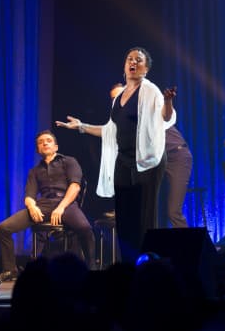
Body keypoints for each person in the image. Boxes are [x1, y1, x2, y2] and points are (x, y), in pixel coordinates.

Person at [57, 47, 176, 263]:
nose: (133, 62)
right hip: (124, 161)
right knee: (124, 216)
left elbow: (165, 118)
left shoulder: (151, 91)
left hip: (147, 162)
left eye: (138, 60)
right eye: (129, 59)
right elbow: (110, 130)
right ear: (124, 66)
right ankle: (129, 264)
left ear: (146, 69)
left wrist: (168, 102)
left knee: (145, 216)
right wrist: (82, 126)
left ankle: (147, 264)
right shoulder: (118, 98)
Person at [0, 130, 96, 281]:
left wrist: (61, 208)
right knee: (3, 228)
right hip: (43, 206)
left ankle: (91, 269)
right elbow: (29, 196)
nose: (45, 143)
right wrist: (32, 207)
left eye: (48, 140)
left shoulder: (69, 161)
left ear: (56, 146)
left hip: (66, 204)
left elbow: (75, 187)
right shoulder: (35, 171)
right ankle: (10, 270)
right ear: (38, 150)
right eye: (41, 142)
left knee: (85, 228)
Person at [110, 82, 192, 228]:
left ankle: (188, 248)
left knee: (173, 212)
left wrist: (167, 101)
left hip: (176, 156)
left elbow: (166, 115)